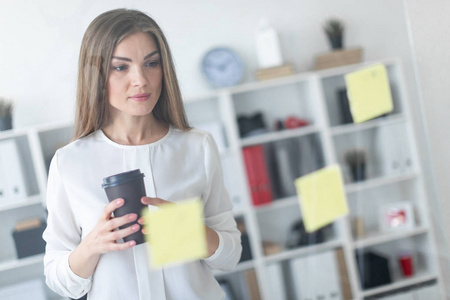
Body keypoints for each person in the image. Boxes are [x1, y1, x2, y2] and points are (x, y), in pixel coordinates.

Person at [43, 8, 242, 300]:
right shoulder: (69, 162)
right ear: (96, 75)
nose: (141, 80)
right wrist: (93, 245)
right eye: (121, 67)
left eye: (151, 63)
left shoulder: (197, 146)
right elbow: (59, 281)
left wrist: (189, 229)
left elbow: (230, 256)